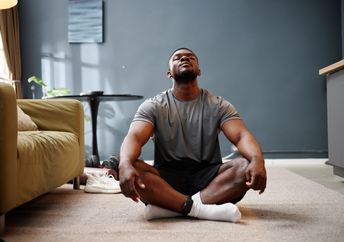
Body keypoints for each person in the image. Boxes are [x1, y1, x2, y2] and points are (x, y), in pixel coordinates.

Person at [118, 47, 267, 222]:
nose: (184, 59)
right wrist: (125, 163)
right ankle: (199, 209)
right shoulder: (153, 105)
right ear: (168, 73)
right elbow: (134, 137)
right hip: (167, 177)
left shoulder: (219, 105)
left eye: (191, 57)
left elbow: (241, 136)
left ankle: (172, 208)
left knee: (244, 166)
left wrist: (258, 160)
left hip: (209, 177)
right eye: (177, 58)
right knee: (130, 166)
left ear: (199, 70)